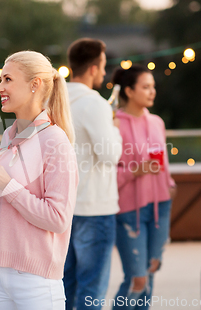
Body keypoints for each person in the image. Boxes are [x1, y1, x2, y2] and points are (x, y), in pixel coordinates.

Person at [0, 50, 79, 310]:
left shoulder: (56, 142)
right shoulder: (9, 134)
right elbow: (3, 205)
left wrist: (6, 184)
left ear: (35, 84)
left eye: (7, 79)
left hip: (35, 279)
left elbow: (58, 218)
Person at [63, 38, 123, 310]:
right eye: (102, 66)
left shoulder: (54, 100)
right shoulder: (96, 103)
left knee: (64, 287)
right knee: (91, 290)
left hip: (61, 206)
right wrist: (115, 128)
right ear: (92, 68)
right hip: (95, 208)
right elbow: (111, 155)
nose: (103, 72)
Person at [111, 65, 175, 309]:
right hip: (128, 210)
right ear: (129, 90)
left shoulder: (157, 122)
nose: (152, 92)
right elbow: (107, 172)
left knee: (150, 272)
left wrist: (170, 185)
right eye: (145, 87)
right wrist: (135, 171)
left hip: (160, 206)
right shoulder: (115, 123)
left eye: (153, 87)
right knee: (137, 279)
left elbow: (164, 162)